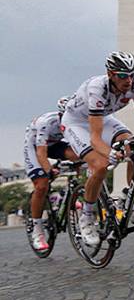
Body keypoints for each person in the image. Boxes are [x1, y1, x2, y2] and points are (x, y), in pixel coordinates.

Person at [62, 52, 134, 247]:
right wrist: (110, 153)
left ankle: (131, 202)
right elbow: (95, 138)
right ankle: (87, 216)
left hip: (103, 118)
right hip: (77, 123)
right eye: (123, 75)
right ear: (110, 74)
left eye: (132, 74)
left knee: (133, 144)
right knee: (100, 165)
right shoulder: (97, 89)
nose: (129, 80)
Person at [23, 96, 79, 251]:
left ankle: (69, 194)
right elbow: (41, 153)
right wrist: (48, 170)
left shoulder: (79, 121)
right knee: (41, 185)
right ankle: (37, 231)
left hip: (54, 144)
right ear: (61, 115)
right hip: (35, 147)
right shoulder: (46, 123)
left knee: (79, 155)